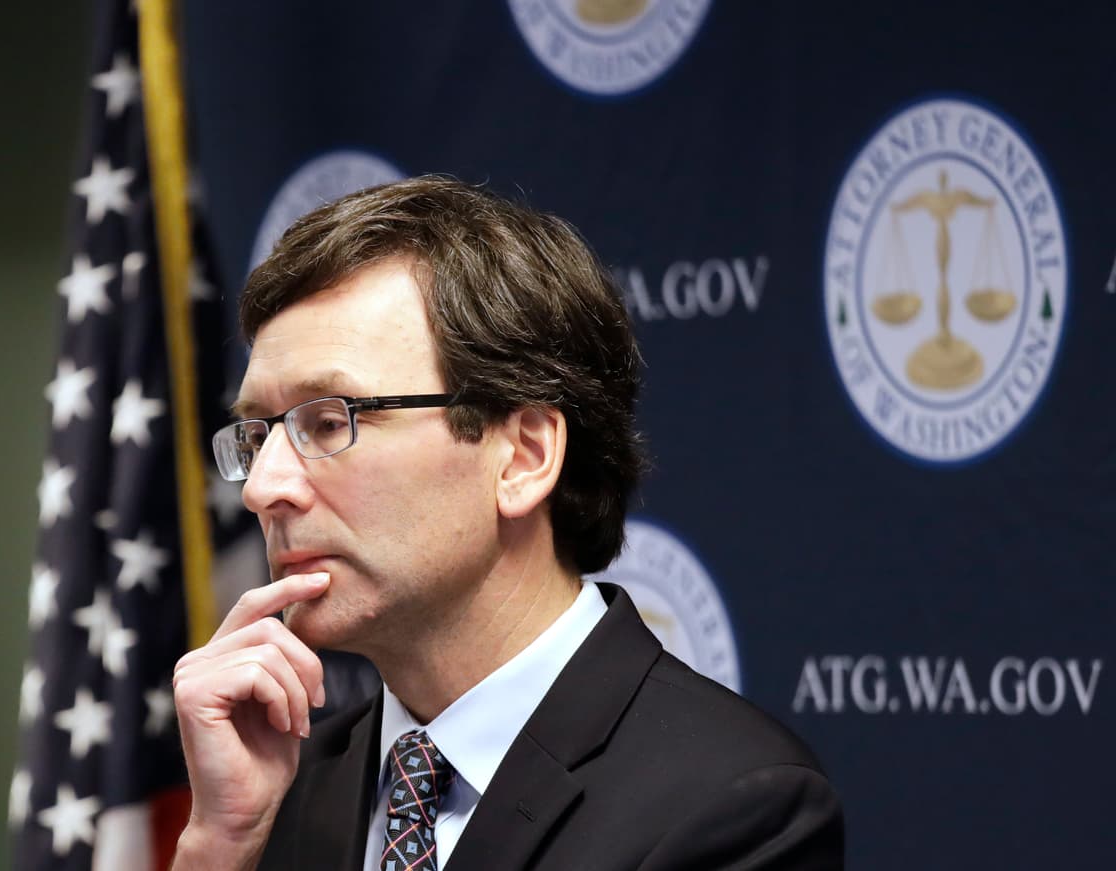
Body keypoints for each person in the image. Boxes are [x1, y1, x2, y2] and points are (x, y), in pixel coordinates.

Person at [172, 176, 844, 870]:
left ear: (523, 456)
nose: (262, 487)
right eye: (258, 435)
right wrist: (219, 846)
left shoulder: (731, 806)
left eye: (328, 420)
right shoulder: (274, 792)